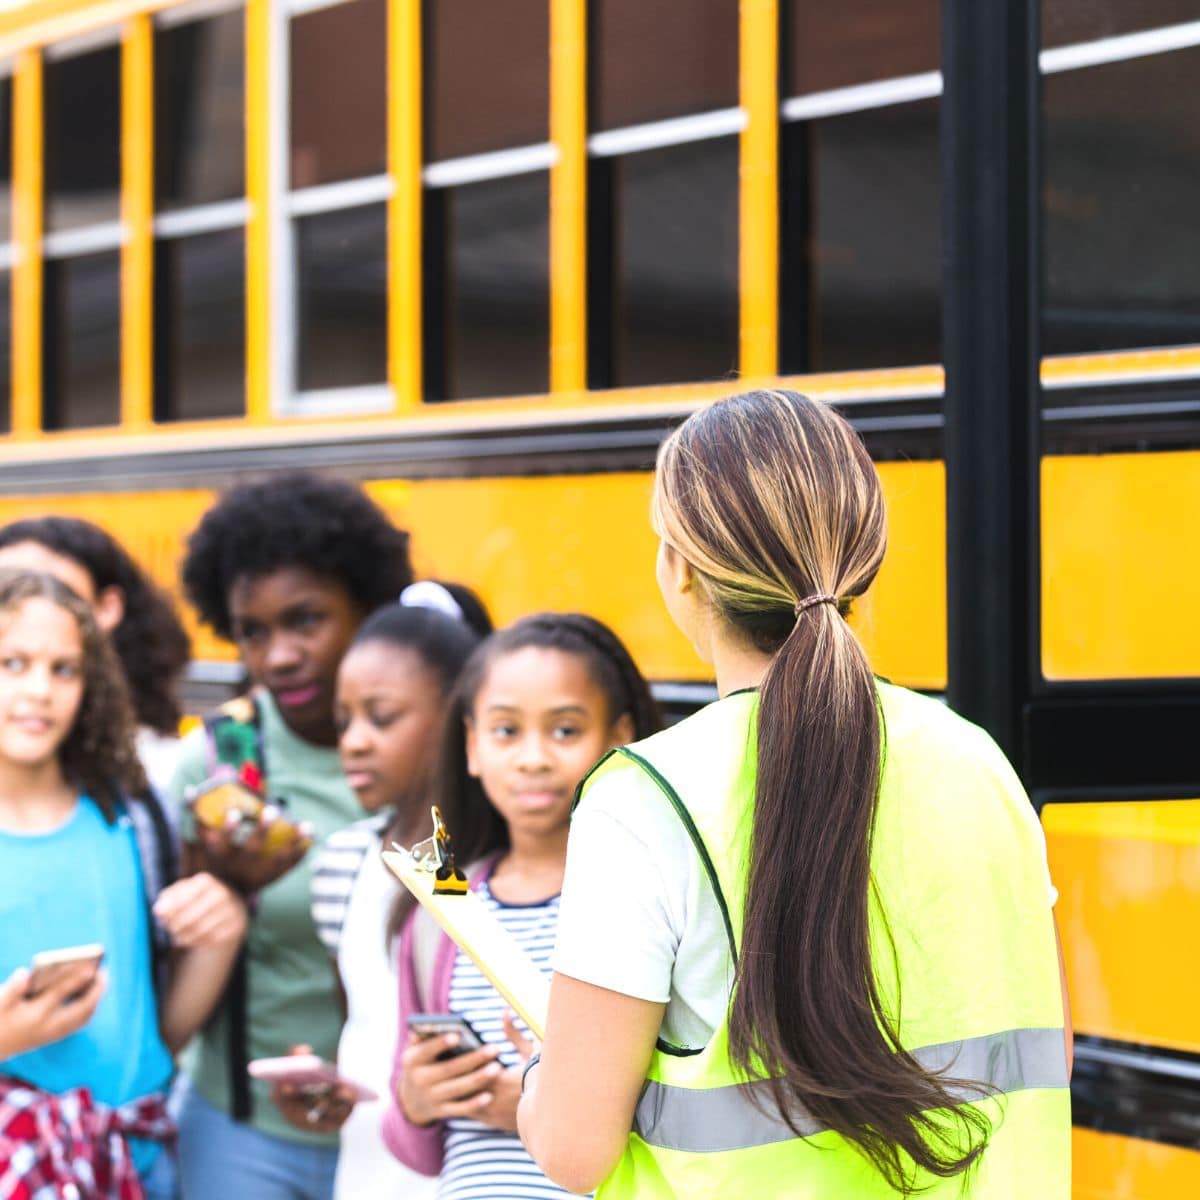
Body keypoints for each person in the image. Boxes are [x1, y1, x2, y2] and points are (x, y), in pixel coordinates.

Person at [517, 389, 1073, 1198]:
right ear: (862, 559)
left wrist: (543, 1071)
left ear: (679, 568)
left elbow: (572, 1151)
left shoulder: (643, 801)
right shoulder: (976, 760)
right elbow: (1042, 1051)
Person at [167, 472, 413, 1200]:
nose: (277, 656)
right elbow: (173, 965)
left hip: (396, 1123)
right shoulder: (219, 760)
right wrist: (224, 894)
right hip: (243, 1135)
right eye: (253, 631)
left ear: (366, 607)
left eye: (306, 619)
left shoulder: (422, 753)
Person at [382, 613, 662, 1200]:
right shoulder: (443, 900)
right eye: (506, 732)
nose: (532, 758)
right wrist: (415, 1100)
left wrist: (548, 1109)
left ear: (620, 738)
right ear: (471, 745)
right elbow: (417, 1149)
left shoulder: (644, 895)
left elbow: (677, 1101)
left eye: (564, 731)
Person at [0, 570, 246, 1200]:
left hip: (139, 1157)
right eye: (12, 662)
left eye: (64, 669)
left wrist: (221, 930)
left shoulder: (131, 815)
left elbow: (158, 1030)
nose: (38, 690)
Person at [271, 591, 488, 1200]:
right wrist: (334, 1089)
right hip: (371, 1176)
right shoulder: (343, 862)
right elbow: (368, 1029)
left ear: (455, 716)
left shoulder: (493, 868)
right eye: (344, 722)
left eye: (382, 717)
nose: (355, 742)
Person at [0, 516, 192, 790]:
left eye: (56, 591)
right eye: (6, 593)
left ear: (108, 609)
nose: (31, 607)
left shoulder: (153, 774)